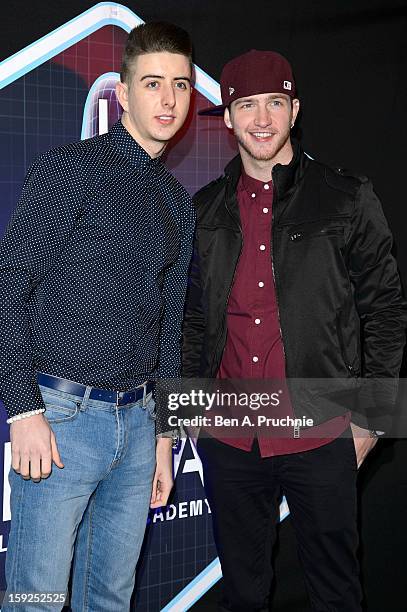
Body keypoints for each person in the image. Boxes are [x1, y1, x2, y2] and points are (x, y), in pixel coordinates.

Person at [182, 49, 406, 611]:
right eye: (248, 105)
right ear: (228, 117)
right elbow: (190, 320)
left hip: (321, 429)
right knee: (243, 594)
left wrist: (371, 421)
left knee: (335, 591)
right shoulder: (203, 209)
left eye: (275, 104)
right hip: (229, 437)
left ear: (294, 109)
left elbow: (385, 309)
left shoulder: (348, 197)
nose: (262, 119)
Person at [0, 21, 195, 611]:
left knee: (109, 599)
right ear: (123, 90)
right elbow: (11, 287)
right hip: (61, 420)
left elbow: (170, 325)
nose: (167, 100)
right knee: (35, 600)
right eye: (153, 83)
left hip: (137, 430)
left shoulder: (176, 203)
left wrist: (164, 435)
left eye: (181, 86)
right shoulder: (69, 171)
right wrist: (24, 409)